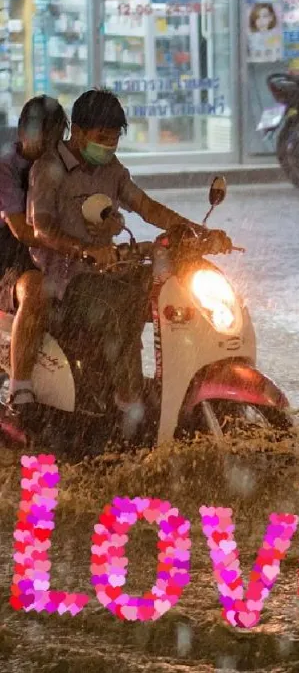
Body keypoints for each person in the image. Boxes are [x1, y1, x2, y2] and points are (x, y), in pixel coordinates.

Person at [26, 88, 230, 432]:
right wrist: (85, 249)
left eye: (114, 139)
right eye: (101, 137)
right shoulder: (48, 169)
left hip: (108, 272)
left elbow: (147, 207)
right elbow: (41, 229)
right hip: (66, 283)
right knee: (121, 305)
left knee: (171, 288)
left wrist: (198, 233)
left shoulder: (112, 170)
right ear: (77, 132)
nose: (107, 146)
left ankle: (174, 386)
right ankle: (128, 405)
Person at [0, 96, 69, 441]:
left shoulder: (61, 165)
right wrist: (76, 243)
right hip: (11, 263)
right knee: (37, 288)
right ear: (25, 131)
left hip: (56, 257)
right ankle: (20, 389)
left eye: (58, 137)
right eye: (46, 136)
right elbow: (23, 232)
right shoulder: (7, 169)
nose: (51, 146)